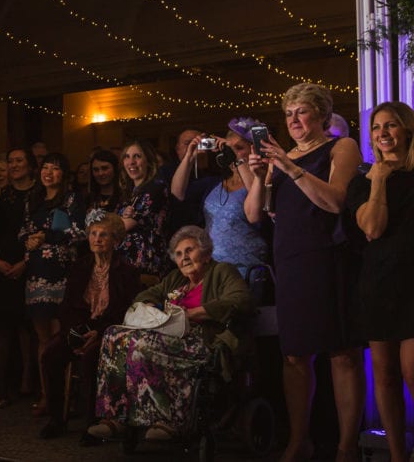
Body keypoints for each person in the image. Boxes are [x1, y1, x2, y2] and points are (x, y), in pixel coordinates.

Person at [245, 83, 365, 462]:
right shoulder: (283, 157)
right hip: (291, 261)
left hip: (328, 257)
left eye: (302, 111)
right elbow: (255, 214)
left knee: (341, 354)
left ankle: (347, 446)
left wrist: (290, 166)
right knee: (293, 355)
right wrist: (259, 174)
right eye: (289, 113)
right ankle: (299, 440)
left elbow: (334, 201)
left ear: (321, 115)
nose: (294, 120)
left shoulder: (340, 147)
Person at [342, 102, 414, 461]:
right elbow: (373, 227)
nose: (383, 133)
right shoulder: (362, 181)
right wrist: (378, 181)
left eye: (391, 125)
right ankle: (396, 456)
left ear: (407, 130)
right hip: (378, 286)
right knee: (385, 377)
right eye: (376, 127)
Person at [88, 225, 254, 442]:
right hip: (168, 336)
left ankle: (168, 420)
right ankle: (116, 417)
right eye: (178, 254)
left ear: (206, 254)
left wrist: (195, 312)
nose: (184, 258)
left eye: (189, 250)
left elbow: (241, 300)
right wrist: (152, 308)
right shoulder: (176, 279)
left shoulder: (222, 272)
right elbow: (144, 296)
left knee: (143, 344)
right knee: (112, 335)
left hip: (203, 340)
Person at [38, 211, 141, 442]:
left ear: (116, 240)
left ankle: (92, 424)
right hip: (78, 329)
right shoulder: (80, 266)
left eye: (103, 235)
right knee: (51, 355)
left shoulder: (127, 272)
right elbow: (66, 306)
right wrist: (77, 332)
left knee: (90, 359)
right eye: (93, 234)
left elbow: (127, 311)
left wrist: (100, 332)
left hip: (109, 332)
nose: (97, 239)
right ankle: (56, 419)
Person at [20, 152, 86, 416]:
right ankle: (47, 395)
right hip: (36, 274)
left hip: (62, 273)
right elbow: (22, 230)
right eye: (45, 167)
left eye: (55, 168)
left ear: (64, 174)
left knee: (60, 337)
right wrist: (28, 240)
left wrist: (47, 235)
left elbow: (80, 232)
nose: (48, 172)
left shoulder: (72, 199)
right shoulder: (32, 199)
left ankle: (64, 398)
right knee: (42, 338)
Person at [171, 117, 268, 278]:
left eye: (239, 148)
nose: (232, 152)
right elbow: (177, 192)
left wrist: (236, 158)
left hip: (245, 270)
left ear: (253, 149)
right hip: (211, 269)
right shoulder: (215, 183)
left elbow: (256, 194)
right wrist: (189, 156)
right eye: (229, 148)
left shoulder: (262, 181)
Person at [0, 147, 38, 408]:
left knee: (26, 327)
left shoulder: (38, 193)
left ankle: (27, 380)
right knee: (2, 327)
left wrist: (24, 263)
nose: (14, 165)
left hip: (28, 264)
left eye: (19, 160)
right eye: (10, 161)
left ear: (29, 164)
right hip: (1, 264)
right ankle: (2, 384)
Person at [116, 139, 169, 277]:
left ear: (149, 161)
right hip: (125, 262)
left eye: (137, 156)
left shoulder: (155, 188)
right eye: (127, 156)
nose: (131, 162)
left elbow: (124, 225)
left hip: (146, 261)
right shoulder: (129, 192)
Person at [157, 128, 218, 232]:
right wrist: (189, 157)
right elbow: (175, 197)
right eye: (188, 143)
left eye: (199, 142)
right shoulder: (167, 171)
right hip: (178, 229)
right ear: (177, 149)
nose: (193, 146)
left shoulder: (215, 171)